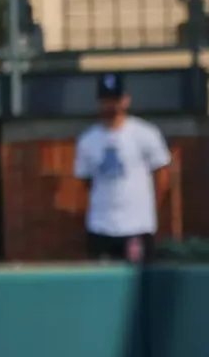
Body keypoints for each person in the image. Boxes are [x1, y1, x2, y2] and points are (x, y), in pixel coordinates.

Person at [73, 73, 172, 264]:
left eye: (115, 100)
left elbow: (162, 172)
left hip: (137, 226)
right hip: (101, 226)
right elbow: (85, 180)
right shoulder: (88, 140)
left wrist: (151, 207)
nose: (111, 106)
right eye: (106, 101)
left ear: (125, 100)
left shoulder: (145, 133)